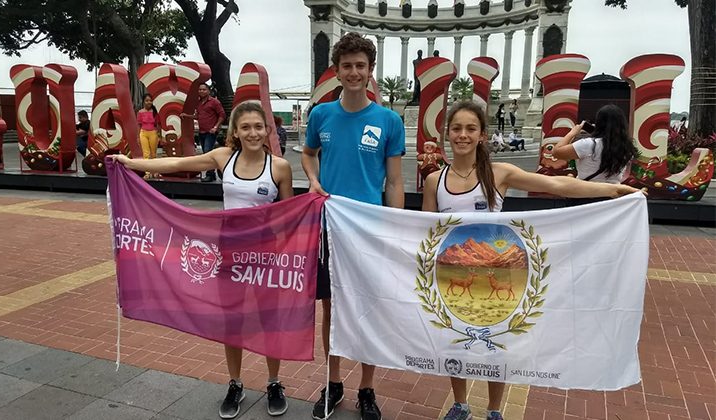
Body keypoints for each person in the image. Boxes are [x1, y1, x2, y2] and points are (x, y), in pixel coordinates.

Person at [422, 101, 641, 420]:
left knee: (496, 350)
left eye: (471, 128)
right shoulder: (434, 181)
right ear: (448, 134)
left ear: (482, 135)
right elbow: (423, 234)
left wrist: (612, 191)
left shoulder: (500, 173)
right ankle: (461, 404)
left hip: (497, 272)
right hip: (449, 273)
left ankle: (494, 410)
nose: (463, 135)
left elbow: (555, 184)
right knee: (456, 343)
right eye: (456, 128)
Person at [112, 101, 294, 419]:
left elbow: (291, 216)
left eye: (258, 126)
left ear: (268, 130)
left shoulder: (279, 167)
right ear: (235, 132)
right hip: (227, 254)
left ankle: (274, 383)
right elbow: (179, 162)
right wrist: (131, 163)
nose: (253, 133)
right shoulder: (223, 157)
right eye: (246, 127)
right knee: (232, 322)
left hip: (265, 258)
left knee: (269, 322)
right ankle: (235, 383)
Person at [302, 32, 405, 420]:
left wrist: (394, 228)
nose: (354, 73)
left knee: (368, 310)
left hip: (370, 231)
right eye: (347, 66)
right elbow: (309, 155)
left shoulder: (388, 120)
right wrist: (312, 179)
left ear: (370, 70)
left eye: (361, 66)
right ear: (337, 70)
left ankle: (367, 389)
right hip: (329, 228)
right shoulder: (320, 115)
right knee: (331, 310)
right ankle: (333, 384)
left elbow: (394, 182)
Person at [551, 104, 637, 183]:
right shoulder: (626, 147)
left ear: (599, 123)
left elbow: (556, 152)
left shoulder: (588, 144)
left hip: (587, 193)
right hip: (612, 193)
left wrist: (572, 132)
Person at [181, 83, 226, 182]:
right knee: (206, 153)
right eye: (200, 90)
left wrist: (215, 127)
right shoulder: (199, 103)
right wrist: (187, 115)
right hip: (202, 131)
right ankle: (218, 169)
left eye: (204, 89)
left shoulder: (214, 102)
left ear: (208, 91)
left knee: (207, 151)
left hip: (211, 131)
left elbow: (222, 115)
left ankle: (211, 174)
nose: (201, 91)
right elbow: (197, 116)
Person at [137, 94, 161, 179]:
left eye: (150, 100)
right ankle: (147, 172)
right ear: (143, 102)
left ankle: (155, 171)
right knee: (146, 154)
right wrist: (137, 137)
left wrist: (159, 135)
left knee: (154, 154)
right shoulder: (140, 112)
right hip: (143, 133)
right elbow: (139, 125)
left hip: (153, 133)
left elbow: (158, 124)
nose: (149, 102)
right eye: (147, 100)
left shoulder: (154, 112)